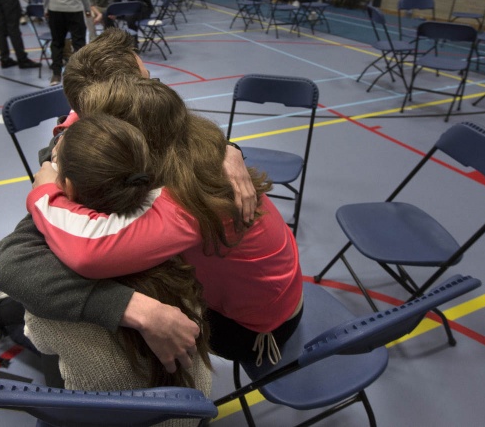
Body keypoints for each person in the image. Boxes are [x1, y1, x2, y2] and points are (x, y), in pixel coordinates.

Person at [28, 73, 304, 366]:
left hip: (255, 333)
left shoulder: (186, 198)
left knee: (111, 293)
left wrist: (46, 190)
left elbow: (89, 254)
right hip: (270, 297)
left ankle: (7, 322)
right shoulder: (191, 146)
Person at [24, 112, 212, 399]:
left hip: (102, 416)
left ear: (69, 188)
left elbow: (39, 338)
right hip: (192, 409)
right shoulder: (182, 252)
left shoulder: (48, 307)